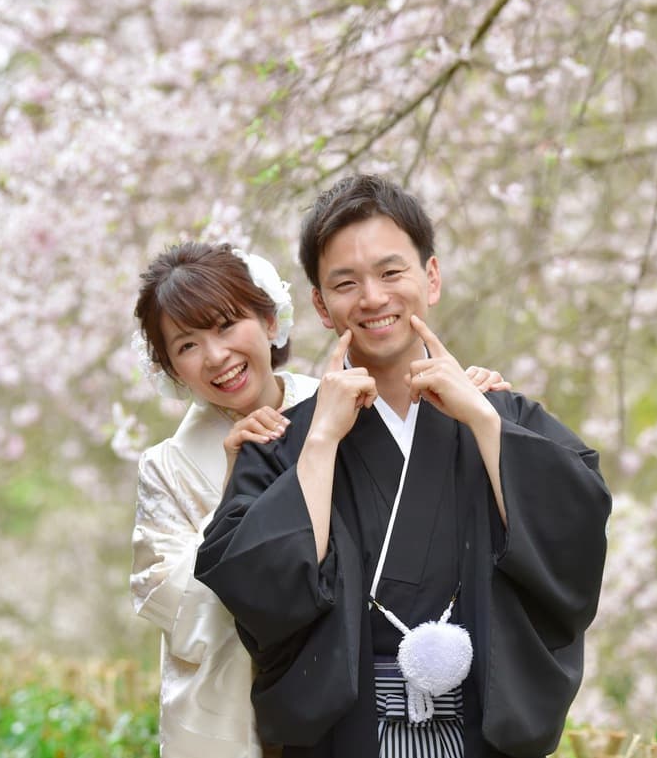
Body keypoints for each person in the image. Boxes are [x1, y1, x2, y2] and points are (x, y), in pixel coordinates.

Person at [195, 176, 612, 758]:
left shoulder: (501, 415)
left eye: (392, 273)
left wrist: (486, 424)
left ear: (431, 278)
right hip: (346, 738)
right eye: (345, 283)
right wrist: (320, 441)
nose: (372, 298)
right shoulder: (285, 439)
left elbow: (577, 535)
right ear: (320, 305)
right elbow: (255, 589)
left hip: (480, 737)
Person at [128, 240, 510, 758]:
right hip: (233, 709)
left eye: (225, 326)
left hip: (361, 704)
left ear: (268, 321)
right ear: (171, 368)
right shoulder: (168, 466)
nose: (216, 356)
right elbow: (171, 602)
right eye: (187, 346)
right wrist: (237, 507)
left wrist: (475, 406)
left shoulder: (345, 401)